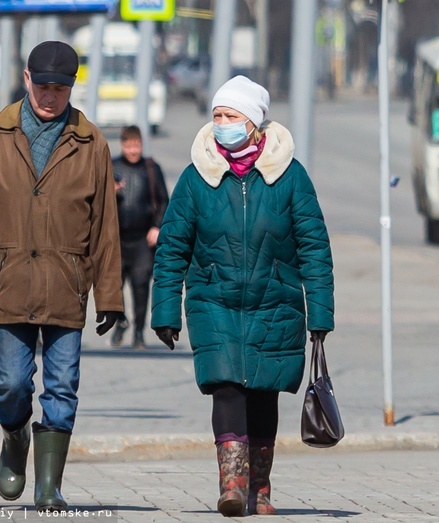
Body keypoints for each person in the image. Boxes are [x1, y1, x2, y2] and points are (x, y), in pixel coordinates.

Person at [0, 41, 124, 513]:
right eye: (44, 85)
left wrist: (111, 297)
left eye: (61, 88)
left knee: (62, 386)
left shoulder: (91, 141)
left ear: (72, 87)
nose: (51, 97)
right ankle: (15, 435)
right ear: (26, 78)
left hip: (68, 282)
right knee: (11, 384)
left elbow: (105, 227)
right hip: (11, 280)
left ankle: (49, 485)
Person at [151, 75, 335, 517]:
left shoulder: (290, 177)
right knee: (227, 388)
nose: (222, 124)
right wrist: (164, 310)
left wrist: (320, 315)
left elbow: (314, 246)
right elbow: (173, 245)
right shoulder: (197, 178)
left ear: (254, 123)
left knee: (263, 394)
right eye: (217, 116)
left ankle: (260, 487)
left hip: (276, 303)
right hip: (213, 301)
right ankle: (231, 486)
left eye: (231, 116)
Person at [110, 125, 169, 349]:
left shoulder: (151, 169)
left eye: (136, 145)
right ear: (122, 145)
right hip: (116, 240)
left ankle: (139, 332)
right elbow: (95, 200)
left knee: (140, 286)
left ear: (142, 145)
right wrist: (110, 190)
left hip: (143, 240)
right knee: (114, 287)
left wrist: (157, 227)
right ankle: (120, 322)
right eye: (128, 145)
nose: (133, 150)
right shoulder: (111, 167)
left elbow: (164, 200)